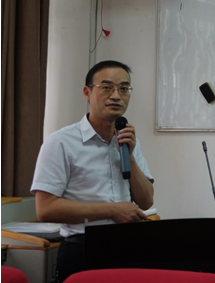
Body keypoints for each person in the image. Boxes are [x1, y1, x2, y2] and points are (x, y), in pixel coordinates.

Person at [31, 60, 154, 282]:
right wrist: (111, 210)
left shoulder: (128, 141)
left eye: (124, 88)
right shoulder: (61, 142)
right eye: (107, 87)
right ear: (87, 93)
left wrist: (130, 156)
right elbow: (45, 209)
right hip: (82, 248)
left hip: (129, 246)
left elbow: (145, 201)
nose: (116, 95)